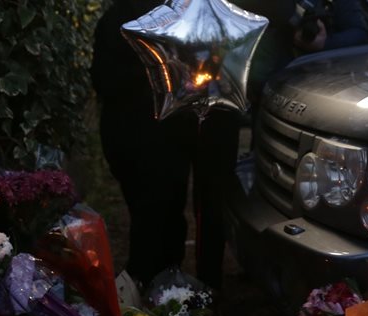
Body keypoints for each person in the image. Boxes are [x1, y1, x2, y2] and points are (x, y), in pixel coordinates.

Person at [91, 0, 253, 290]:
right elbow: (106, 79)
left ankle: (204, 284)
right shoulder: (125, 18)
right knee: (159, 203)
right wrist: (166, 76)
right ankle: (158, 280)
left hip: (213, 119)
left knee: (210, 202)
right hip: (154, 129)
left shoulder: (220, 12)